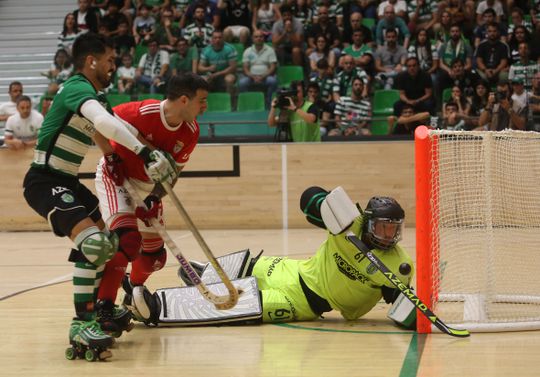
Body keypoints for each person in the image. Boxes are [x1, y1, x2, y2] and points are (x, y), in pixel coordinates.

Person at [22, 33, 177, 361]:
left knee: (110, 247)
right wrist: (143, 153)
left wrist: (131, 154)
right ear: (91, 61)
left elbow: (111, 126)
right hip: (45, 181)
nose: (113, 66)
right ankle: (81, 324)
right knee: (94, 244)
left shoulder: (94, 95)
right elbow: (104, 122)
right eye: (109, 60)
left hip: (67, 181)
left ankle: (99, 314)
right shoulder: (77, 87)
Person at [172, 187, 415, 326]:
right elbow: (307, 199)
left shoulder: (397, 264)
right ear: (369, 222)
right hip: (289, 270)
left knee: (237, 307)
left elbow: (401, 307)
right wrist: (325, 204)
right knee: (244, 266)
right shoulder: (349, 222)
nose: (388, 235)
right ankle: (205, 274)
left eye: (394, 229)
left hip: (300, 303)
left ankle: (159, 306)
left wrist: (413, 315)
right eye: (383, 227)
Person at [94, 73, 210, 333]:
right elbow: (96, 125)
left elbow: (174, 173)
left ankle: (132, 289)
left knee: (154, 258)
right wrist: (109, 156)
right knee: (127, 240)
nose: (205, 107)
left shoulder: (190, 132)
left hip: (147, 188)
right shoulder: (138, 112)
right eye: (201, 101)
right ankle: (103, 307)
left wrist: (155, 198)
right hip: (117, 178)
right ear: (183, 100)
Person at [238, 30, 278, 109]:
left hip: (266, 77)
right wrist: (253, 77)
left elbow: (273, 67)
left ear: (264, 38)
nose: (259, 38)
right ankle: (248, 102)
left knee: (273, 81)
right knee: (242, 83)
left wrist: (263, 76)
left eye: (261, 36)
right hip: (251, 77)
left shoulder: (270, 50)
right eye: (256, 37)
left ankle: (269, 103)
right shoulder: (247, 51)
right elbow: (245, 68)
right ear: (252, 39)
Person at [198, 30, 237, 96]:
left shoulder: (230, 49)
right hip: (211, 74)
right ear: (212, 39)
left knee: (229, 80)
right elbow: (200, 67)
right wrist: (208, 68)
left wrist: (218, 74)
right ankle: (205, 102)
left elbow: (233, 67)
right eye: (215, 38)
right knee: (203, 80)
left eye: (220, 37)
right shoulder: (206, 50)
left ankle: (229, 102)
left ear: (223, 39)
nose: (217, 40)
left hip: (227, 74)